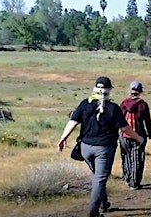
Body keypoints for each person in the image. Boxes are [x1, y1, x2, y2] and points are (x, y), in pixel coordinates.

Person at [58, 76, 144, 217]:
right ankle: (93, 211)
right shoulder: (113, 108)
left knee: (98, 177)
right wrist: (139, 138)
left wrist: (63, 138)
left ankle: (104, 204)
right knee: (99, 179)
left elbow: (73, 122)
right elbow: (125, 129)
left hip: (85, 148)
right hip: (104, 149)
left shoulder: (85, 104)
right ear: (109, 90)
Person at [119, 81, 151, 190]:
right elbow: (147, 120)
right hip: (138, 134)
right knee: (137, 158)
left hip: (124, 134)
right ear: (140, 91)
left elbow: (118, 119)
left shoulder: (124, 103)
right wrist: (150, 133)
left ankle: (127, 178)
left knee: (126, 156)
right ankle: (134, 182)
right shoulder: (142, 104)